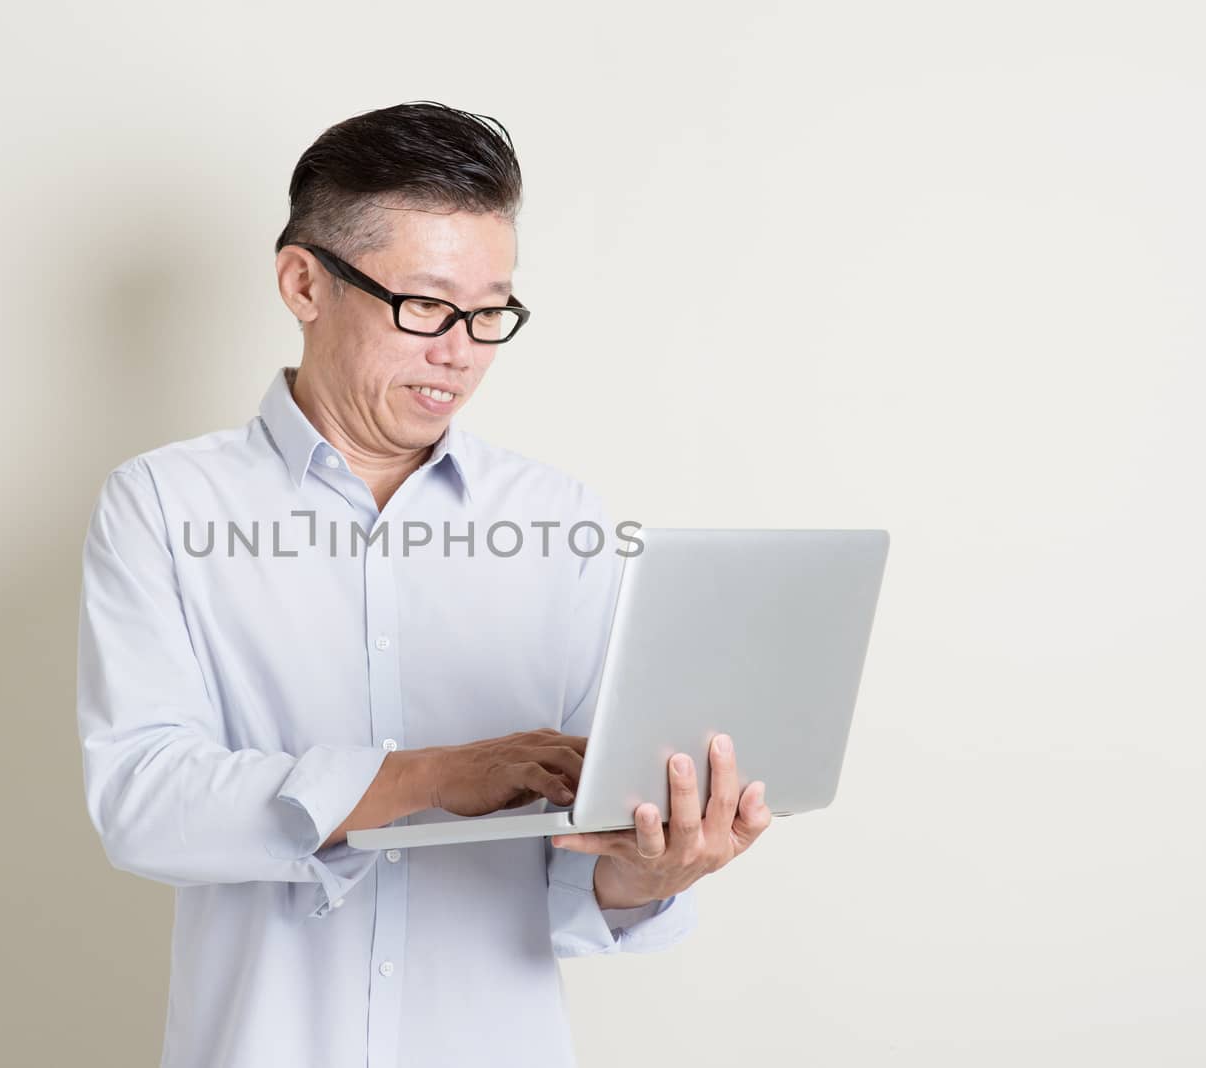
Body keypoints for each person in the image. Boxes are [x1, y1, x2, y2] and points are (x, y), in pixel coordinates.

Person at [75, 100, 772, 1068]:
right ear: (303, 282)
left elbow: (577, 880)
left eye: (490, 313)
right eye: (426, 307)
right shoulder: (160, 504)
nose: (461, 350)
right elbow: (143, 801)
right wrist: (428, 777)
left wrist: (650, 867)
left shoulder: (561, 520)